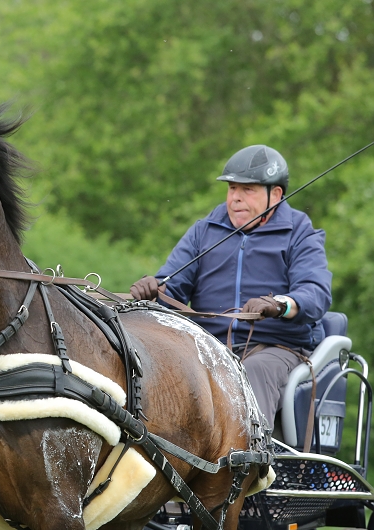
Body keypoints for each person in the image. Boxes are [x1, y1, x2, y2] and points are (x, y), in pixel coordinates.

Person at [130, 144, 332, 432]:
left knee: (254, 371)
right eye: (232, 188)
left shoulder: (299, 232)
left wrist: (279, 304)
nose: (236, 198)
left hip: (274, 348)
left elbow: (316, 292)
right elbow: (172, 286)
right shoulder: (205, 230)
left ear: (275, 194)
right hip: (207, 345)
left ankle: (249, 468)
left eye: (247, 190)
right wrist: (154, 291)